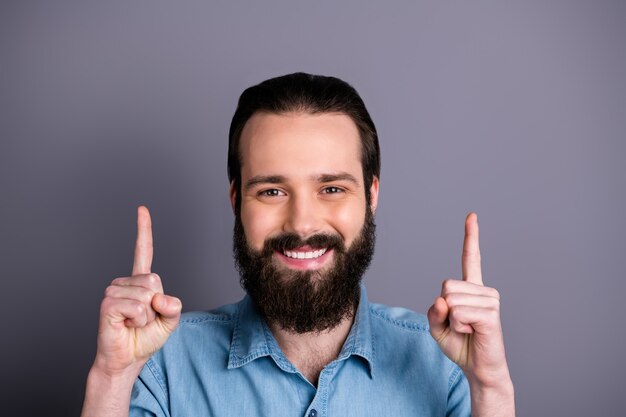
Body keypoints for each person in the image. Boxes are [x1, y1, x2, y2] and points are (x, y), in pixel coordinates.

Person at [81, 73, 515, 416]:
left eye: (331, 189)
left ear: (372, 195)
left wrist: (490, 387)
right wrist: (112, 377)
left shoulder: (448, 367)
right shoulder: (160, 365)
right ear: (237, 201)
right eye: (272, 191)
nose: (303, 223)